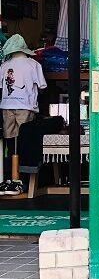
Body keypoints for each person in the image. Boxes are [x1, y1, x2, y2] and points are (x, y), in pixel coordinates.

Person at [0, 34, 47, 195]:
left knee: (10, 142)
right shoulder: (33, 65)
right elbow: (42, 86)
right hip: (26, 106)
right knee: (25, 142)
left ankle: (11, 177)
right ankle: (23, 179)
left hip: (6, 106)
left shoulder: (4, 66)